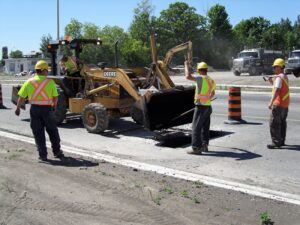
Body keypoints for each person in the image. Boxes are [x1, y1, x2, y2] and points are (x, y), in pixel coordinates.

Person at [15, 60, 64, 161]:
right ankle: (57, 152)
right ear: (44, 70)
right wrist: (54, 107)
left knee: (38, 132)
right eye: (47, 70)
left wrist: (18, 108)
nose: (48, 72)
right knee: (53, 131)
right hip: (47, 110)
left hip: (35, 110)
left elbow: (21, 97)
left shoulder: (29, 82)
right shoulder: (50, 82)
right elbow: (55, 97)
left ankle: (43, 155)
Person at [184, 61, 216, 155]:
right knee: (205, 128)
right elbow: (213, 94)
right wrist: (206, 99)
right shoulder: (211, 80)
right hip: (208, 107)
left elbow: (187, 76)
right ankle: (204, 145)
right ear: (206, 70)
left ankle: (196, 148)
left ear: (199, 70)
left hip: (201, 107)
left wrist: (186, 65)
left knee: (195, 128)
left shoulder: (201, 78)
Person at [267, 58, 290, 149]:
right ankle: (282, 140)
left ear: (280, 67)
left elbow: (277, 90)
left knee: (274, 123)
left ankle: (276, 142)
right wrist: (270, 81)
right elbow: (278, 86)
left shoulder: (279, 78)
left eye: (275, 67)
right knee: (282, 122)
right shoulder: (284, 76)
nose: (274, 69)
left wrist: (270, 103)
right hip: (285, 104)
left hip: (278, 104)